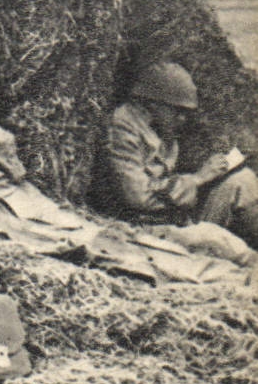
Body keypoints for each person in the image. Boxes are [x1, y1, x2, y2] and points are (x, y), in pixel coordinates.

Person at [100, 61, 256, 261]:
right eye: (177, 111)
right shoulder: (122, 127)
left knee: (243, 182)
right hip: (143, 230)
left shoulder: (160, 129)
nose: (183, 119)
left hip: (176, 219)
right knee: (226, 244)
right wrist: (198, 179)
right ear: (153, 103)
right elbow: (137, 196)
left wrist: (213, 170)